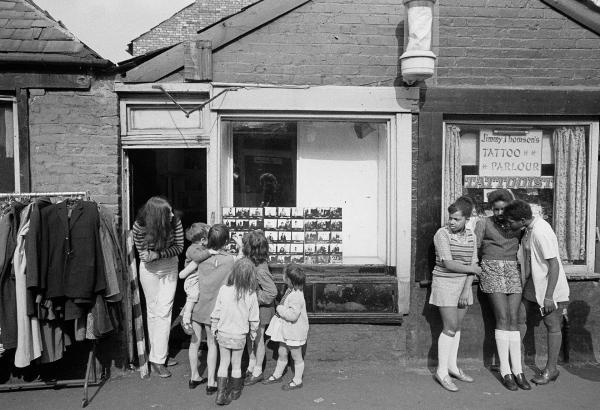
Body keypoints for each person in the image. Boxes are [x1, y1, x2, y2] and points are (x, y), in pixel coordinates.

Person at [503, 199, 569, 385]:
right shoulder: (528, 229)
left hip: (550, 287)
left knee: (552, 325)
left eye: (511, 222)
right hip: (533, 284)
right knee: (519, 319)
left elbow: (554, 264)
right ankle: (514, 362)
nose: (508, 225)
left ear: (522, 219)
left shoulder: (541, 231)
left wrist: (549, 296)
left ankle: (551, 369)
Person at [474, 189, 531, 391]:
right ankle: (505, 370)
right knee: (503, 318)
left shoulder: (517, 226)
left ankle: (519, 370)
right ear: (491, 209)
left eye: (503, 209)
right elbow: (476, 248)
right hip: (491, 268)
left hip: (513, 270)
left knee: (514, 319)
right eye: (495, 209)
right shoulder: (483, 223)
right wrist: (477, 269)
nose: (499, 213)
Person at [429, 196, 481, 392]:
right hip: (444, 282)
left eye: (456, 219)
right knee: (450, 327)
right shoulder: (441, 234)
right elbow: (448, 264)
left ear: (466, 219)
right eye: (450, 218)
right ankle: (441, 372)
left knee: (457, 327)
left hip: (463, 285)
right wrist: (473, 271)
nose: (451, 222)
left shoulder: (472, 236)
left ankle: (452, 366)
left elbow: (473, 263)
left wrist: (467, 287)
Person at [133, 196, 184, 378]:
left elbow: (179, 247)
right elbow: (141, 250)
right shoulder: (140, 225)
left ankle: (158, 359)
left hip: (169, 265)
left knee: (164, 311)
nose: (172, 214)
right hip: (149, 269)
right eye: (167, 212)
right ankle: (158, 355)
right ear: (157, 215)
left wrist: (158, 254)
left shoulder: (175, 221)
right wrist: (147, 255)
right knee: (153, 311)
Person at [190, 224, 242, 394]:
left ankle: (193, 376)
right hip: (215, 311)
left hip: (198, 306)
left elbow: (185, 272)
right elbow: (242, 260)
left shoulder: (202, 257)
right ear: (226, 241)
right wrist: (240, 245)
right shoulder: (229, 260)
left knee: (195, 343)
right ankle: (211, 381)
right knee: (212, 345)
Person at [210, 258, 260, 405]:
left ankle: (220, 393)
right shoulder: (251, 294)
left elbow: (216, 312)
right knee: (236, 364)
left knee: (223, 363)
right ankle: (235, 392)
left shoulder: (224, 290)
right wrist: (253, 332)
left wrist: (214, 327)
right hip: (239, 335)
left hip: (223, 332)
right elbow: (254, 318)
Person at [178, 222, 213, 388]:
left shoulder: (197, 247)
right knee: (193, 297)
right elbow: (198, 260)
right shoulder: (194, 249)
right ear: (203, 239)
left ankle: (194, 376)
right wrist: (212, 252)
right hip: (192, 281)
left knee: (195, 341)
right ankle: (184, 316)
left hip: (195, 283)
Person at [263, 263, 309, 391]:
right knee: (282, 352)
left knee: (296, 356)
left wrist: (280, 308)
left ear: (289, 279)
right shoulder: (292, 291)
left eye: (284, 275)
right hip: (287, 331)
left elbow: (293, 315)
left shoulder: (296, 296)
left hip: (294, 332)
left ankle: (298, 380)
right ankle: (277, 375)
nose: (282, 276)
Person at [242, 231, 278, 386]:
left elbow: (272, 292)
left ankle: (258, 371)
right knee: (251, 337)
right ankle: (251, 364)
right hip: (253, 309)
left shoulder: (260, 269)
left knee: (258, 340)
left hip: (261, 310)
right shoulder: (253, 263)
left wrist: (253, 295)